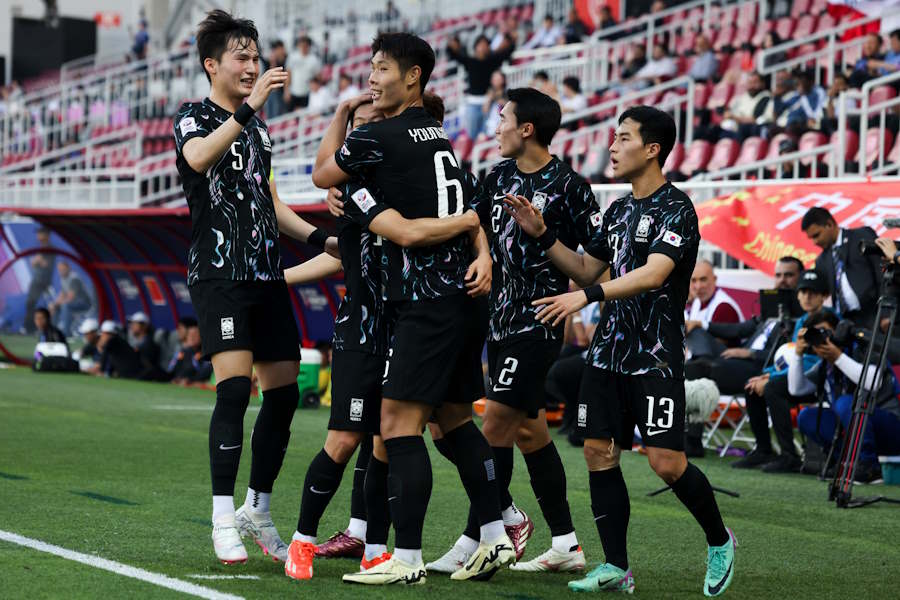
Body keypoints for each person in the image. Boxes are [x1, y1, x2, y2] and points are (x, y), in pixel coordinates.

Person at [506, 105, 735, 596]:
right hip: (607, 354)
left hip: (656, 356)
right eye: (613, 136)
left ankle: (720, 540)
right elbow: (586, 269)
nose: (612, 146)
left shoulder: (677, 208)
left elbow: (654, 274)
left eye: (623, 138)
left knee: (666, 463)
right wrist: (543, 234)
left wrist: (586, 296)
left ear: (652, 149)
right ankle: (615, 566)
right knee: (597, 452)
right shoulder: (618, 210)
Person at [311, 32, 512, 585]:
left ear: (413, 76)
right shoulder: (439, 136)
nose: (371, 79)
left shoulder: (379, 137)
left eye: (381, 69)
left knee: (397, 425)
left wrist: (342, 114)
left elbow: (323, 173)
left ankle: (407, 557)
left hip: (426, 302)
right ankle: (496, 532)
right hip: (463, 297)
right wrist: (480, 246)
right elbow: (469, 207)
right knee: (454, 419)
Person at [283, 94, 483, 580]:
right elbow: (349, 248)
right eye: (360, 126)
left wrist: (482, 247)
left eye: (376, 123)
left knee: (387, 443)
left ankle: (376, 548)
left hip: (406, 320)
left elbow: (448, 219)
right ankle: (302, 541)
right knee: (343, 439)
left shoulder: (407, 182)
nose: (369, 132)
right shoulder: (352, 189)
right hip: (362, 326)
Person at [175, 10, 335, 565]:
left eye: (255, 56)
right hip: (220, 275)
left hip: (267, 275)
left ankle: (257, 509)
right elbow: (198, 158)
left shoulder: (259, 129)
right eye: (240, 57)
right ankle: (222, 518)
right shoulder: (194, 117)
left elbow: (270, 203)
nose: (252, 66)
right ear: (211, 64)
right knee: (234, 390)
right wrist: (246, 111)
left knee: (284, 395)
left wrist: (321, 239)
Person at [429, 88, 594, 576]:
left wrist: (545, 237)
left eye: (502, 118)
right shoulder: (497, 176)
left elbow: (593, 268)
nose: (495, 127)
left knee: (494, 426)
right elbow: (472, 225)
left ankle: (479, 539)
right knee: (527, 431)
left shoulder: (570, 186)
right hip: (496, 321)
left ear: (527, 128)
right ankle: (564, 543)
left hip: (539, 321)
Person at [734, 268, 833, 473]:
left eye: (813, 292)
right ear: (797, 295)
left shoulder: (829, 320)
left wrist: (772, 378)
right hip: (798, 376)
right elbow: (791, 356)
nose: (807, 296)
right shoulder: (801, 321)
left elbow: (814, 362)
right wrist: (768, 374)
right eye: (803, 291)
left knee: (772, 388)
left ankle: (789, 456)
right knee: (752, 386)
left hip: (821, 380)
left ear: (824, 296)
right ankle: (763, 450)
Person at [792, 310, 900, 483]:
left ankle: (869, 467)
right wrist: (798, 354)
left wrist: (838, 357)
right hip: (860, 430)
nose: (822, 339)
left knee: (845, 403)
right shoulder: (825, 366)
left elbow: (873, 382)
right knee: (807, 417)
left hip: (891, 428)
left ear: (838, 331)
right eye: (816, 335)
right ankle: (845, 463)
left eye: (825, 332)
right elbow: (796, 389)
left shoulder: (863, 348)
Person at [684, 256, 804, 397]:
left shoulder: (801, 316)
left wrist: (749, 353)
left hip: (757, 366)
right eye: (778, 275)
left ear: (801, 277)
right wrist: (702, 324)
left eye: (788, 275)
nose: (782, 280)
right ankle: (693, 366)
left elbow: (784, 356)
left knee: (709, 368)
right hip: (735, 359)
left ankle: (688, 369)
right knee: (694, 330)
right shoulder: (771, 308)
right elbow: (740, 329)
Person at [801, 207, 882, 329]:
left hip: (875, 315)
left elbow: (881, 272)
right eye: (811, 238)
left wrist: (886, 313)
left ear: (829, 224)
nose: (815, 242)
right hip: (844, 323)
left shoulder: (861, 236)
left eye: (817, 235)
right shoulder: (821, 261)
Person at [447, 34, 516, 139]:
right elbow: (455, 55)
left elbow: (506, 53)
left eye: (485, 45)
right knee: (472, 134)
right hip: (472, 102)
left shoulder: (492, 60)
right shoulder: (470, 61)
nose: (483, 47)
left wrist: (512, 41)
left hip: (488, 101)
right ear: (476, 47)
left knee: (486, 134)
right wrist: (450, 46)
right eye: (480, 45)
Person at [685, 260, 743, 332]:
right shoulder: (697, 301)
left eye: (703, 279)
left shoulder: (724, 307)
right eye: (693, 280)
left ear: (714, 279)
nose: (698, 286)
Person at [720, 72, 771, 141]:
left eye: (755, 82)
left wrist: (733, 117)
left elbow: (754, 119)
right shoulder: (743, 97)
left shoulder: (765, 97)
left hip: (751, 129)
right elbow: (730, 112)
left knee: (742, 129)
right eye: (750, 82)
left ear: (762, 84)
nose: (752, 85)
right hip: (735, 128)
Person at [24, 228, 55, 334]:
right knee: (30, 303)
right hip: (37, 279)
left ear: (46, 235)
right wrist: (37, 260)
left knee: (37, 303)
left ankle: (32, 328)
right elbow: (33, 263)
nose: (38, 235)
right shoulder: (41, 248)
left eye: (40, 233)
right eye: (38, 233)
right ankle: (30, 327)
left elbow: (46, 264)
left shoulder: (50, 248)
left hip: (43, 281)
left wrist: (38, 260)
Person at [49, 261, 92, 337]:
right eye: (60, 270)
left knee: (65, 306)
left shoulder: (74, 279)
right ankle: (53, 332)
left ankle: (66, 334)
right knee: (56, 307)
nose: (61, 271)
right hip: (73, 303)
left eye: (63, 269)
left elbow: (70, 297)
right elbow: (62, 295)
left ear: (68, 268)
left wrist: (56, 304)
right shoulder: (63, 278)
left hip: (84, 303)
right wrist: (54, 305)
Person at [285, 36, 322, 110]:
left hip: (307, 93)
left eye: (305, 46)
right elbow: (288, 74)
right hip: (293, 92)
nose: (303, 48)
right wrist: (286, 90)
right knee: (291, 115)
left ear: (309, 46)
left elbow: (318, 77)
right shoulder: (292, 57)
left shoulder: (314, 60)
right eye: (301, 45)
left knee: (305, 115)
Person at [264, 41, 288, 118]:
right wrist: (273, 62)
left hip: (280, 92)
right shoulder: (271, 61)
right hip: (271, 92)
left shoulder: (286, 60)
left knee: (277, 115)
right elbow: (271, 77)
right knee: (270, 114)